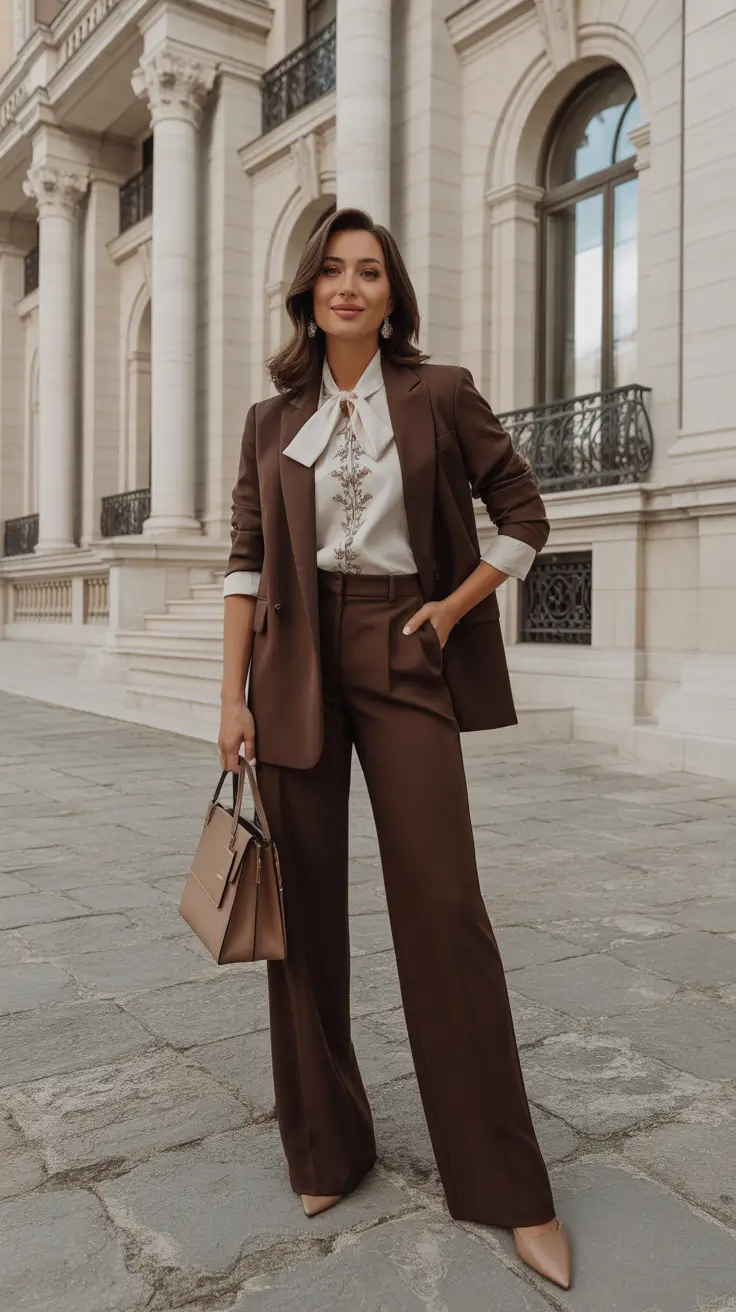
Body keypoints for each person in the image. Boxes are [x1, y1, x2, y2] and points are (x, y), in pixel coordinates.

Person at [218, 207, 572, 1292]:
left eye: (369, 271)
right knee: (303, 914)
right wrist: (228, 697)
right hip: (289, 658)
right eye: (331, 269)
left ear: (391, 292)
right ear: (306, 292)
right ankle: (327, 1145)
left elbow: (523, 514)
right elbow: (243, 556)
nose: (349, 286)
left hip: (403, 644)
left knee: (442, 904)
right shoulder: (270, 416)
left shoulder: (439, 391)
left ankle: (506, 1183)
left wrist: (454, 606)